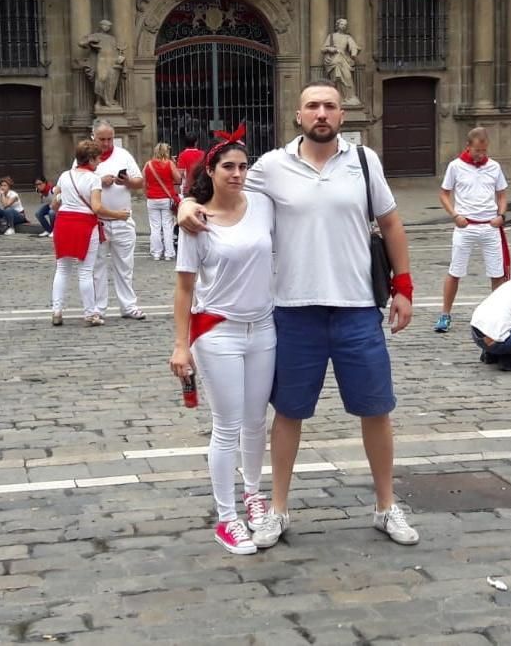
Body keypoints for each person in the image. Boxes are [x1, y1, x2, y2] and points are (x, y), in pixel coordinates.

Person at [179, 80, 417, 549]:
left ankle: (386, 506)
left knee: (376, 409)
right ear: (298, 115)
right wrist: (186, 202)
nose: (322, 113)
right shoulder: (270, 166)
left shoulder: (365, 163)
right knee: (287, 413)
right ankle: (277, 510)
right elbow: (221, 189)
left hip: (356, 308)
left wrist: (403, 286)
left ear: (342, 115)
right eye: (313, 106)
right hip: (292, 311)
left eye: (330, 105)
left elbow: (390, 223)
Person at [170, 129, 276, 555]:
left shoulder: (263, 206)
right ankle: (226, 518)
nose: (236, 174)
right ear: (210, 172)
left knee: (255, 423)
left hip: (264, 328)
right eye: (227, 167)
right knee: (227, 426)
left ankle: (253, 494)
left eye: (242, 166)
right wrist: (181, 346)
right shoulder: (197, 222)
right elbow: (183, 288)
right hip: (218, 333)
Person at [434, 127, 509, 333]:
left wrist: (501, 216)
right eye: (478, 151)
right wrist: (455, 215)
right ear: (468, 147)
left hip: (489, 226)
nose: (481, 155)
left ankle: (500, 314)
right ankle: (445, 314)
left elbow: (501, 194)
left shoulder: (494, 167)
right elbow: (444, 194)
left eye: (484, 151)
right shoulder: (455, 167)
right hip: (465, 225)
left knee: (497, 273)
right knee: (455, 271)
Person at [51, 139, 130, 327]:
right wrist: (118, 215)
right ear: (91, 159)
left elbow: (54, 204)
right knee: (85, 271)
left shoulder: (64, 175)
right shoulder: (94, 179)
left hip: (63, 222)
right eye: (97, 160)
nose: (99, 163)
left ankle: (56, 311)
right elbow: (96, 208)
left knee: (62, 268)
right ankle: (90, 313)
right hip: (84, 224)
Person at [89, 120, 147, 320]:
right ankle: (98, 308)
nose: (106, 143)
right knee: (97, 268)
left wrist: (128, 181)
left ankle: (128, 306)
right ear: (93, 137)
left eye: (109, 139)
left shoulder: (123, 155)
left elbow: (140, 182)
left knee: (125, 266)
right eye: (102, 139)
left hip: (123, 219)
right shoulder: (85, 158)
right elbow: (77, 184)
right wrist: (99, 181)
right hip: (97, 221)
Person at [144, 143, 182, 261]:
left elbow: (143, 181)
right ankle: (169, 253)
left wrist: (147, 193)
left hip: (152, 198)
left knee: (155, 227)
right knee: (167, 226)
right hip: (166, 198)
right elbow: (178, 179)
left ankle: (156, 252)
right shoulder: (169, 164)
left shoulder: (148, 164)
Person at [79, 20, 126, 108]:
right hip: (102, 61)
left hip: (112, 61)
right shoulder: (96, 36)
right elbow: (81, 43)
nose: (107, 27)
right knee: (100, 81)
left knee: (111, 82)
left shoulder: (112, 38)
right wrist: (90, 42)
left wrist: (120, 58)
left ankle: (109, 99)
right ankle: (98, 102)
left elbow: (116, 50)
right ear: (101, 26)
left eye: (108, 26)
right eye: (105, 25)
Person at [320, 18, 361, 106]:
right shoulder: (332, 36)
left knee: (348, 77)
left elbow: (353, 46)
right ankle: (339, 98)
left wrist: (354, 53)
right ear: (337, 25)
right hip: (334, 60)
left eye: (345, 25)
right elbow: (323, 48)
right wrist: (331, 49)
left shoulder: (347, 37)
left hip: (343, 60)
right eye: (342, 24)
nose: (344, 26)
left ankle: (349, 97)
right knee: (336, 80)